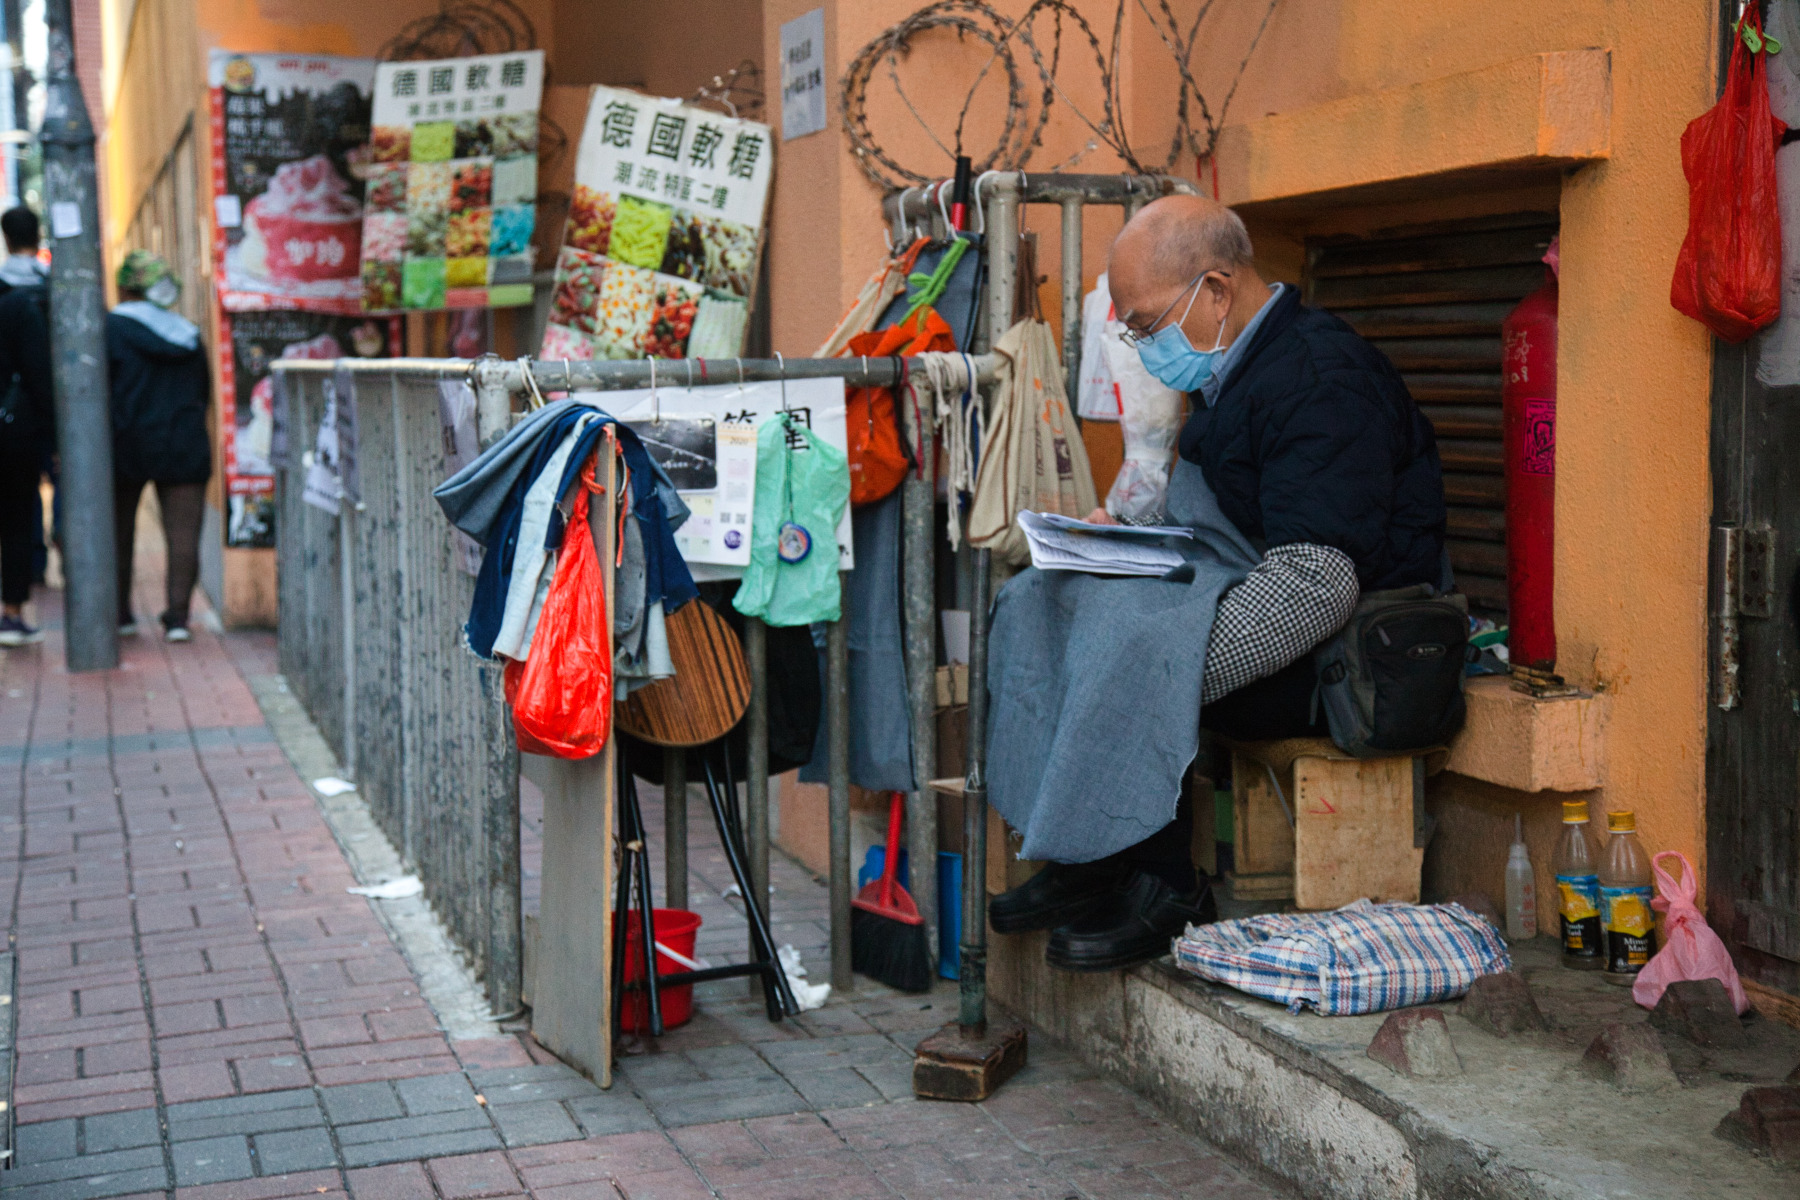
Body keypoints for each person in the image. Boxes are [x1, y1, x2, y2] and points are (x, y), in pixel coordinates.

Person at [988, 195, 1448, 971]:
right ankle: (1085, 855)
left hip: (1342, 652)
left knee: (1134, 644)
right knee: (1042, 598)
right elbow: (1212, 520)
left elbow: (1317, 582)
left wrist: (1169, 659)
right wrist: (1109, 551)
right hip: (1236, 582)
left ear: (1216, 289)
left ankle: (1167, 885)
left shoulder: (1322, 379)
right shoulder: (1235, 366)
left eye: (1143, 324)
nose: (1137, 343)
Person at [108, 249, 211, 642]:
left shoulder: (109, 330)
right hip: (184, 442)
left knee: (117, 532)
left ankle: (120, 614)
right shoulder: (187, 333)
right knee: (184, 535)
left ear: (124, 287)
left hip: (125, 444)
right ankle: (179, 618)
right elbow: (204, 392)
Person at [0, 206, 53, 646]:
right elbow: (38, 370)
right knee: (19, 513)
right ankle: (13, 608)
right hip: (20, 425)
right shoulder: (42, 291)